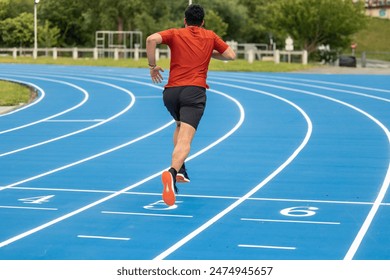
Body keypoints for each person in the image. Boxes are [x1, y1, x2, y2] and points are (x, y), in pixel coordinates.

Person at [146, 4, 236, 206]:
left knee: (179, 124)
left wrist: (152, 67)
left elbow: (151, 39)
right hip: (194, 92)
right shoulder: (210, 36)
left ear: (185, 20)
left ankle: (180, 169)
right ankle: (171, 172)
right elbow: (231, 55)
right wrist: (210, 52)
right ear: (203, 21)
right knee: (186, 138)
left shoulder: (175, 33)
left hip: (171, 93)